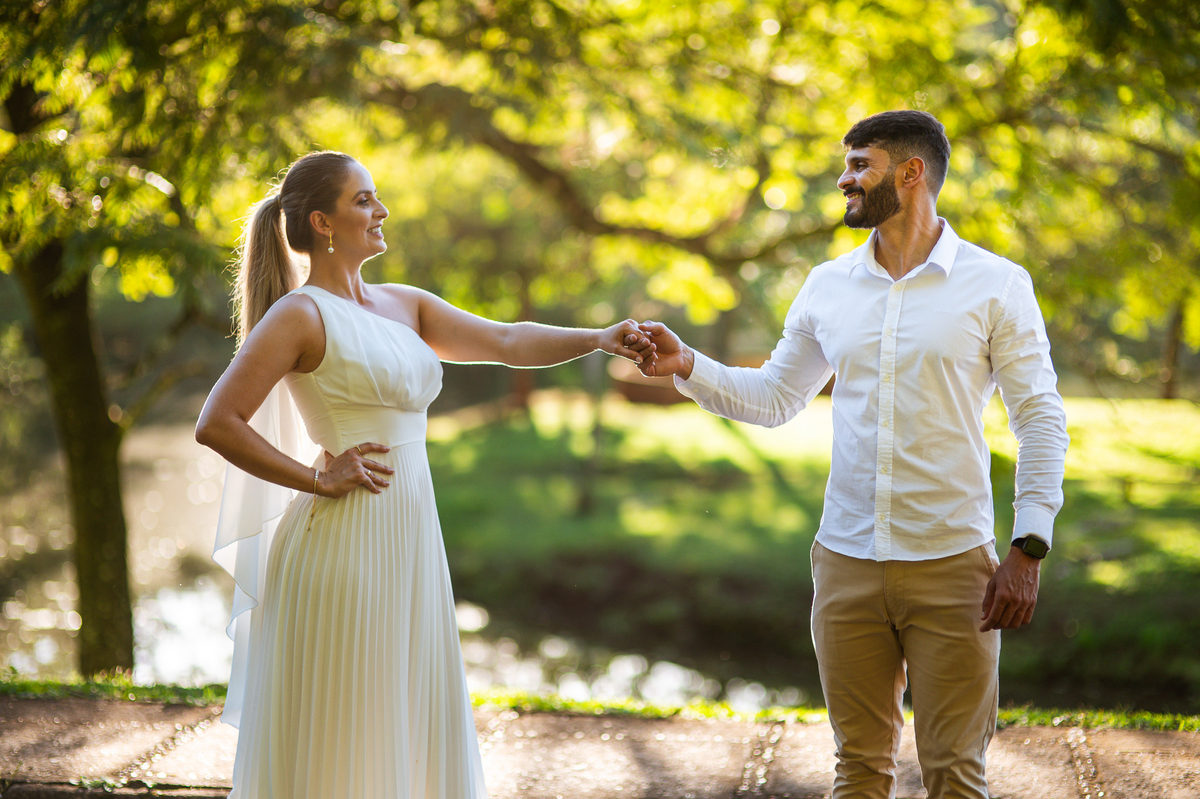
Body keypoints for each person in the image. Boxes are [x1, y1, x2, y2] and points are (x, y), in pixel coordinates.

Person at [634, 110, 1068, 799]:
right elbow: (775, 396)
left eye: (859, 165)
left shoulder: (997, 285)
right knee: (857, 771)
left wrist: (1029, 543)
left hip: (953, 565)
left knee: (956, 775)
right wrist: (687, 362)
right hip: (846, 563)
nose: (845, 179)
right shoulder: (827, 285)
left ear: (911, 171)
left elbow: (1039, 417)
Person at [195, 150, 651, 799]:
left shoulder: (403, 303)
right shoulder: (300, 315)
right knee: (347, 730)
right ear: (322, 222)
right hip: (342, 547)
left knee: (407, 722)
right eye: (364, 200)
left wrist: (600, 336)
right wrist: (318, 478)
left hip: (412, 540)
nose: (381, 211)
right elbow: (217, 421)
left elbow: (508, 341)